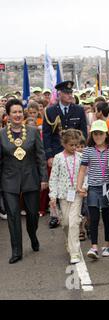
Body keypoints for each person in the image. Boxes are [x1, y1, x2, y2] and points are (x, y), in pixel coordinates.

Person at [0, 99, 48, 264]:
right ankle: (16, 250)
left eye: (20, 111)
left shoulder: (33, 132)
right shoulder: (1, 134)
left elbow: (40, 157)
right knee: (13, 215)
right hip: (9, 180)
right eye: (14, 112)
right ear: (8, 115)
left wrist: (43, 178)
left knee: (33, 214)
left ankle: (33, 235)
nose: (18, 115)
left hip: (31, 178)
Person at [43, 80, 87, 228]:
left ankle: (77, 214)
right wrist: (49, 155)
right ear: (59, 94)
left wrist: (81, 149)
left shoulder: (79, 110)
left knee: (76, 182)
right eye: (66, 93)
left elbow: (83, 133)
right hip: (58, 154)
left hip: (75, 154)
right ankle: (56, 214)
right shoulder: (50, 111)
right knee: (56, 183)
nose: (69, 95)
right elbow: (47, 134)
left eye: (71, 92)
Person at [77, 120, 109, 260]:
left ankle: (107, 244)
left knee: (106, 216)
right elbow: (82, 169)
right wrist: (79, 186)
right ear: (92, 135)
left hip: (108, 187)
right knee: (93, 217)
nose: (98, 136)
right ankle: (94, 247)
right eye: (95, 134)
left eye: (101, 133)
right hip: (93, 187)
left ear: (106, 134)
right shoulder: (88, 150)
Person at [48, 129, 84, 264]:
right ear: (64, 144)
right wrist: (53, 195)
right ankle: (68, 242)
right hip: (63, 194)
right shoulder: (58, 158)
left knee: (74, 221)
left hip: (77, 193)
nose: (74, 148)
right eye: (71, 145)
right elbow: (54, 177)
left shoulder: (80, 157)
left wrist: (84, 187)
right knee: (66, 223)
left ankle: (75, 252)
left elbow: (85, 173)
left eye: (76, 145)